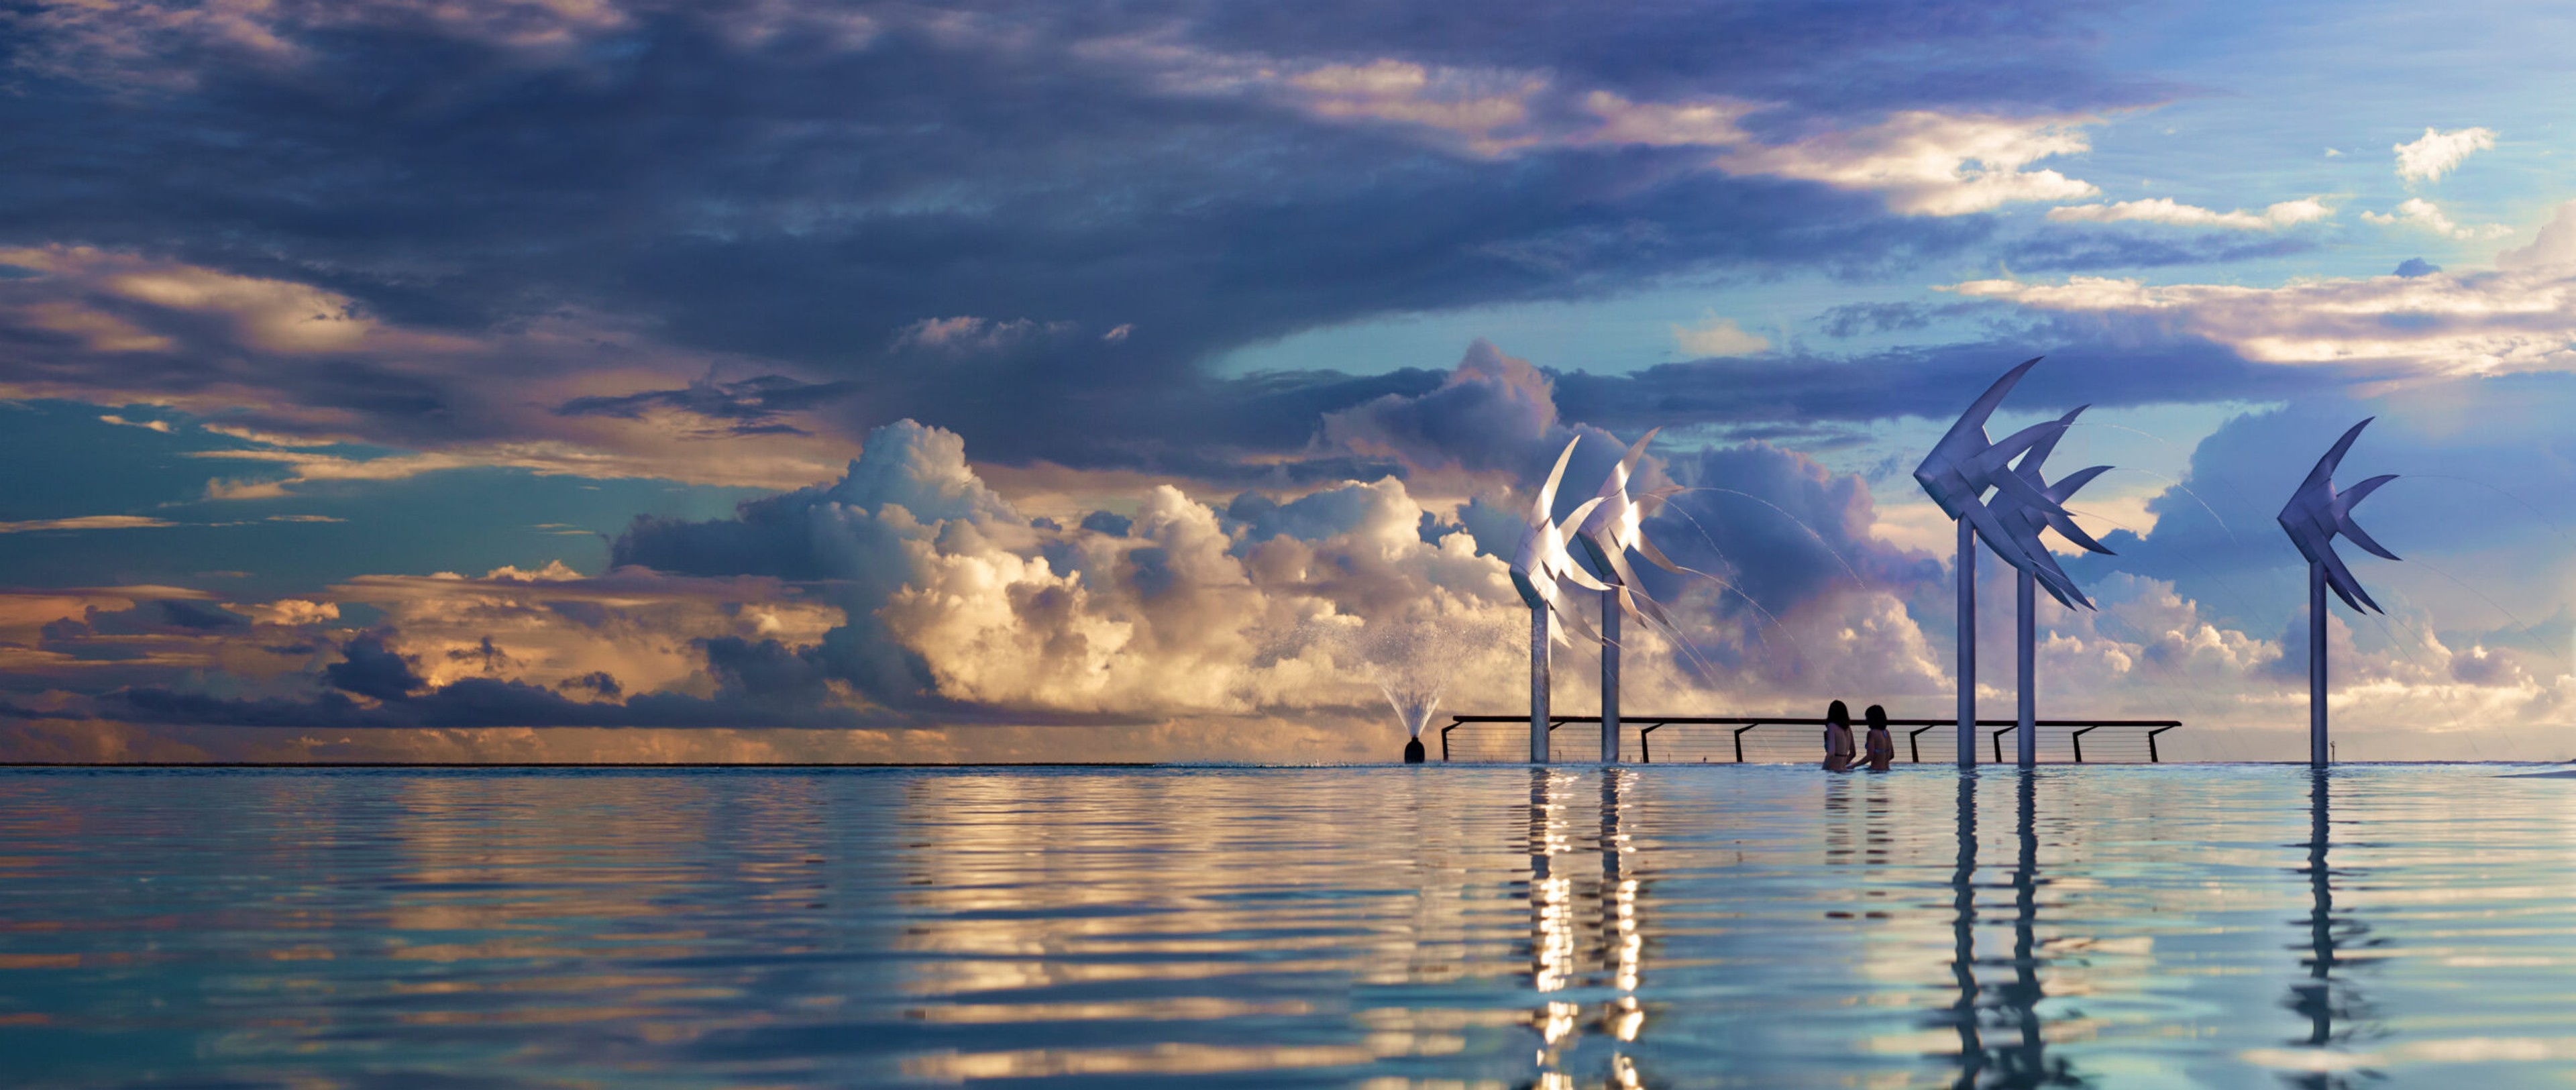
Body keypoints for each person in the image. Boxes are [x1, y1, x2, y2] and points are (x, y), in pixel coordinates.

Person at [1821, 700, 1856, 771]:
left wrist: (1824, 769)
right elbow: (1853, 753)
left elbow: (1831, 753)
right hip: (1844, 771)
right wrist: (1842, 764)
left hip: (1833, 771)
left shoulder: (1832, 727)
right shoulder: (1848, 728)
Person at [1862, 704, 1895, 771]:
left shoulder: (1872, 733)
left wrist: (1853, 766)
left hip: (1874, 771)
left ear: (1872, 719)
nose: (1866, 720)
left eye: (1867, 717)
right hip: (1887, 771)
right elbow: (1892, 755)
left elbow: (1869, 757)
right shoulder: (1887, 733)